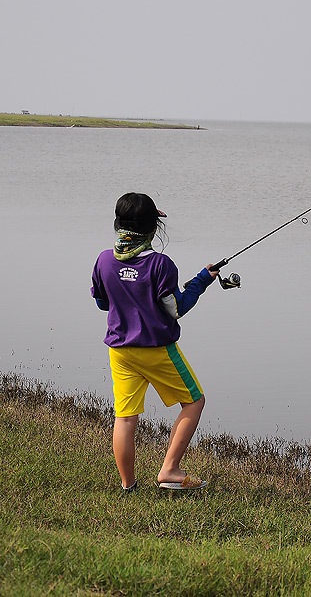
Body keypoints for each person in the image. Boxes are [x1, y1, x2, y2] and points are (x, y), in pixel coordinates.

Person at [91, 192, 218, 491]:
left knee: (125, 418)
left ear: (118, 224)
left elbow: (101, 302)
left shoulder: (104, 260)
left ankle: (128, 485)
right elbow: (176, 309)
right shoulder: (161, 265)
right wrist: (201, 281)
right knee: (194, 401)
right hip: (157, 349)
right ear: (152, 229)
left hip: (120, 351)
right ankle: (169, 470)